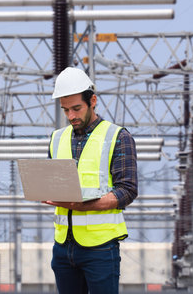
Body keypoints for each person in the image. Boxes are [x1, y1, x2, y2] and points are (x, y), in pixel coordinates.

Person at [43, 67, 138, 294]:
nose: (71, 116)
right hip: (63, 247)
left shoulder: (117, 136)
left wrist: (83, 206)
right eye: (65, 110)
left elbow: (127, 190)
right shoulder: (57, 138)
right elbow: (54, 184)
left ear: (92, 100)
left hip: (101, 249)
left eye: (77, 108)